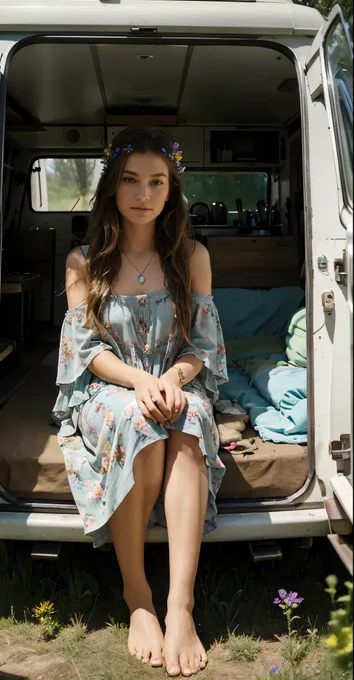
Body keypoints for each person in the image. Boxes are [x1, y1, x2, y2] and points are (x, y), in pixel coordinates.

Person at [53, 128, 228, 677]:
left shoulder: (192, 255)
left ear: (172, 191)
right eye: (131, 180)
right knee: (137, 421)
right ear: (112, 187)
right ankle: (139, 599)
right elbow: (86, 352)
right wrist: (139, 382)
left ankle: (180, 605)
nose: (143, 194)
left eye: (157, 182)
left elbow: (201, 346)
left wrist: (172, 379)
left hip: (175, 377)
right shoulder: (84, 261)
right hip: (109, 386)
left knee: (191, 417)